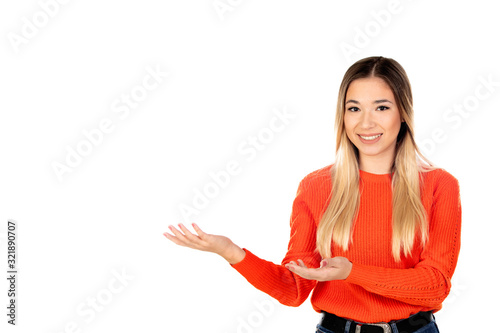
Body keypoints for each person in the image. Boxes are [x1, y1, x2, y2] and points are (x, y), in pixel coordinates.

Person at [163, 56, 461, 333]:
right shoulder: (317, 187)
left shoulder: (439, 186)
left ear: (404, 113)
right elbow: (294, 288)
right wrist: (230, 252)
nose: (365, 123)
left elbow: (435, 286)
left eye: (381, 107)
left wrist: (351, 272)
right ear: (342, 116)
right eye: (354, 108)